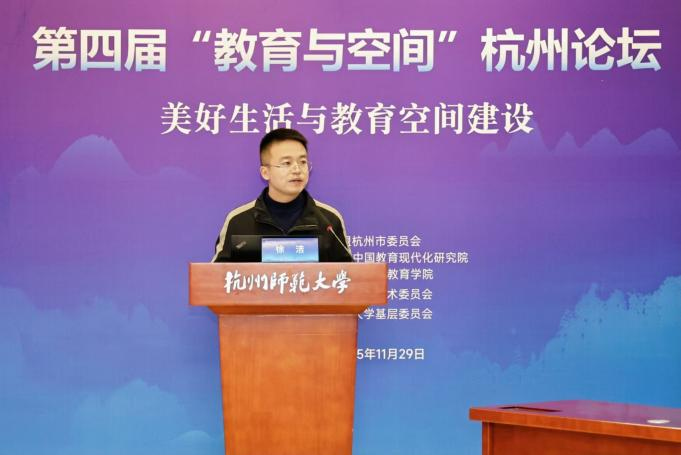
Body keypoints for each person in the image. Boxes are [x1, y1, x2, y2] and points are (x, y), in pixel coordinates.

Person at [212, 128, 353, 262]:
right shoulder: (238, 221)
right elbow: (215, 276)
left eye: (302, 162)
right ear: (265, 172)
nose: (297, 170)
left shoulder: (329, 220)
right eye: (287, 163)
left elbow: (349, 275)